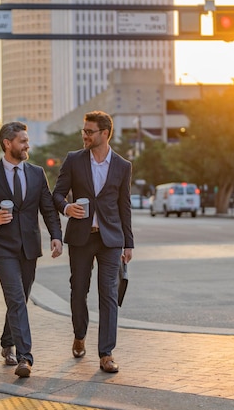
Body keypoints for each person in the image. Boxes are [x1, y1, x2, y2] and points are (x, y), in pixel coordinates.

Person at [0, 121, 63, 378]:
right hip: (2, 247)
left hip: (30, 246)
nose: (27, 145)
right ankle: (25, 357)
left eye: (27, 140)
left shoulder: (36, 173)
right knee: (15, 298)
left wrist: (56, 236)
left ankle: (6, 342)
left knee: (19, 299)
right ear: (7, 143)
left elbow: (47, 208)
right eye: (22, 141)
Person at [52, 110, 134, 373]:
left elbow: (125, 206)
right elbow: (57, 194)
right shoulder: (74, 160)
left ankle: (106, 353)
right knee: (78, 290)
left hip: (110, 239)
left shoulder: (123, 166)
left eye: (89, 131)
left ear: (105, 133)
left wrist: (128, 243)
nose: (85, 135)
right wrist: (67, 208)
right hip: (81, 238)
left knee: (109, 293)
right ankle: (79, 334)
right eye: (83, 131)